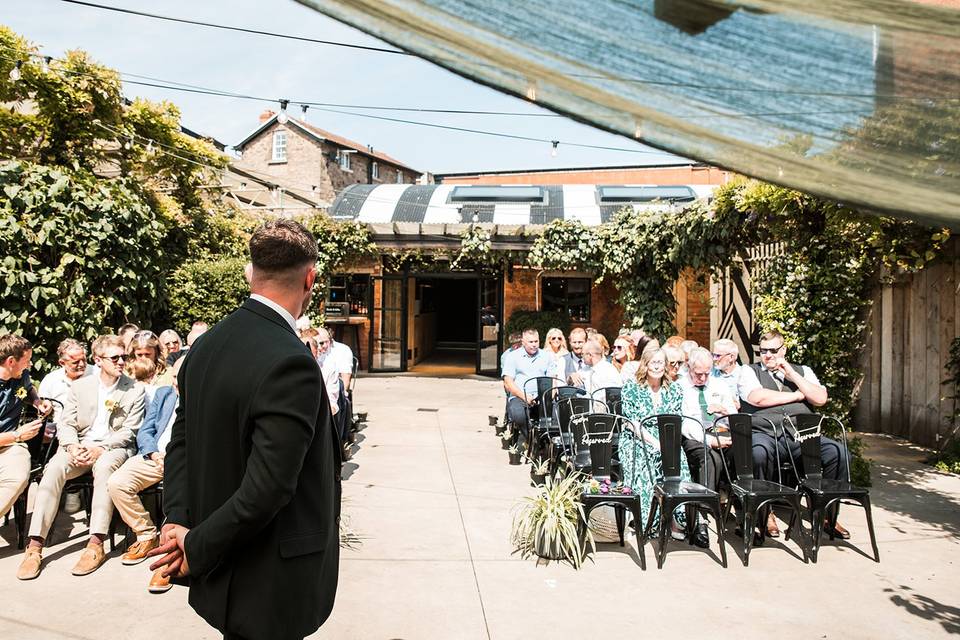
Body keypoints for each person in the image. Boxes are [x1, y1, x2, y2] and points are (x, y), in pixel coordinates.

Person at [149, 219, 340, 640]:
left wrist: (177, 521)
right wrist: (193, 546)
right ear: (311, 279)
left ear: (249, 273)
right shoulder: (291, 362)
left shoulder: (205, 346)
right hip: (266, 577)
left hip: (221, 566)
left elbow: (180, 442)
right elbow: (269, 488)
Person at [18, 334, 145, 580]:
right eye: (115, 357)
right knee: (54, 468)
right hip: (80, 446)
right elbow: (66, 423)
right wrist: (72, 446)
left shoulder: (134, 389)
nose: (121, 362)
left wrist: (101, 448)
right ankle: (34, 546)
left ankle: (95, 543)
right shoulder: (81, 386)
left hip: (112, 448)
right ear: (98, 360)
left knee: (106, 467)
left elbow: (130, 431)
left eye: (124, 357)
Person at [740, 330, 850, 539]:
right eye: (763, 351)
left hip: (801, 435)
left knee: (838, 452)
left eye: (773, 350)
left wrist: (792, 374)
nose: (767, 355)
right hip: (766, 432)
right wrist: (797, 396)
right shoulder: (749, 371)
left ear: (784, 350)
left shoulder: (803, 371)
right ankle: (765, 514)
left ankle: (827, 514)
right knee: (758, 454)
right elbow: (757, 398)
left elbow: (819, 398)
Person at [107, 357, 186, 593]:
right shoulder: (164, 393)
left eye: (180, 378)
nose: (176, 383)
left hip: (183, 461)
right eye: (173, 377)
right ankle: (145, 534)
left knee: (178, 499)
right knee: (117, 482)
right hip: (154, 457)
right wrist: (152, 453)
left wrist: (173, 458)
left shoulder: (203, 395)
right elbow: (146, 429)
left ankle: (171, 556)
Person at [620, 348, 692, 540]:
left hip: (666, 435)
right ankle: (649, 521)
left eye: (661, 362)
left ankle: (676, 518)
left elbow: (675, 420)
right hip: (636, 437)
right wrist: (656, 444)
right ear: (645, 364)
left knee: (679, 460)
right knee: (647, 460)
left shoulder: (674, 389)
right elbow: (633, 422)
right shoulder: (631, 388)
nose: (658, 366)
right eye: (653, 362)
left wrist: (666, 444)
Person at [678, 347, 736, 546]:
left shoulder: (719, 385)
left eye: (706, 373)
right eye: (698, 374)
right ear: (689, 368)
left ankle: (746, 514)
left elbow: (733, 417)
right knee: (710, 457)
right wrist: (708, 441)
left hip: (721, 433)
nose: (702, 378)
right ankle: (702, 518)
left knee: (746, 453)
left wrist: (724, 412)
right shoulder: (680, 388)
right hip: (694, 437)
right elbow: (684, 424)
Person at [0, 335, 50, 522]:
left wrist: (37, 401)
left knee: (18, 475)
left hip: (11, 447)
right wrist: (17, 435)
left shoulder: (21, 376)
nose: (29, 365)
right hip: (13, 437)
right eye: (27, 361)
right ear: (11, 361)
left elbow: (28, 390)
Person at [502, 328, 556, 437]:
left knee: (558, 413)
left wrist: (551, 394)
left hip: (542, 396)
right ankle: (532, 439)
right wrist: (524, 396)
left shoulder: (546, 356)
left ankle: (549, 441)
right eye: (531, 342)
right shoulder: (512, 356)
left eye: (536, 341)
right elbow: (508, 382)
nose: (534, 345)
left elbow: (553, 378)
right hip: (520, 395)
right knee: (518, 415)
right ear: (523, 342)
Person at [37, 338, 95, 432]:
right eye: (75, 362)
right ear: (62, 363)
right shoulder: (51, 379)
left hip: (92, 431)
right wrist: (45, 406)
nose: (81, 364)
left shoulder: (97, 374)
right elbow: (43, 406)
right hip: (60, 431)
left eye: (84, 360)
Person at [711, 338, 742, 410]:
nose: (714, 359)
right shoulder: (710, 374)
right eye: (713, 355)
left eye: (718, 356)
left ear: (731, 357)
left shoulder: (743, 375)